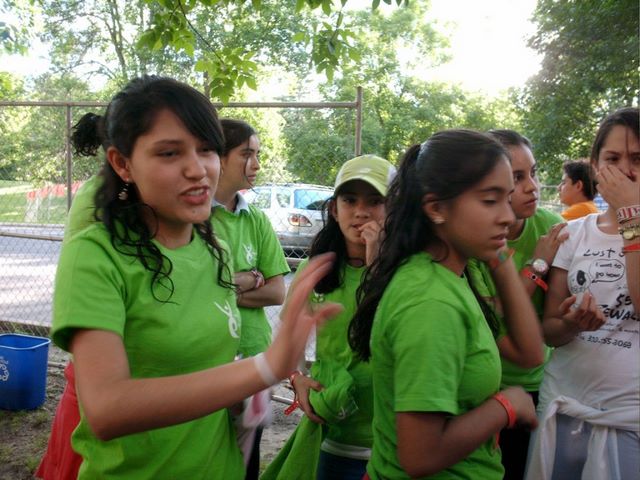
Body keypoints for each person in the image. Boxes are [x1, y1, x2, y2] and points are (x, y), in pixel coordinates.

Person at [46, 75, 342, 479]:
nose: (198, 169)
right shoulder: (96, 254)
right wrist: (263, 368)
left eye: (207, 149)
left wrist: (245, 400)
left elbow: (202, 367)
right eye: (170, 153)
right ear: (122, 164)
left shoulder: (213, 248)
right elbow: (106, 409)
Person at [348, 129, 540, 479]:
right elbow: (420, 456)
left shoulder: (454, 276)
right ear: (436, 208)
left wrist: (499, 260)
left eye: (508, 199)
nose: (508, 217)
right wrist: (505, 407)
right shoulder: (431, 302)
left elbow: (530, 354)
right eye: (490, 201)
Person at [526, 107, 639, 480]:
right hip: (562, 403)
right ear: (595, 165)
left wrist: (631, 216)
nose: (625, 171)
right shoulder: (574, 233)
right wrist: (572, 323)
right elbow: (550, 331)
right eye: (613, 159)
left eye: (637, 159)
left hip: (628, 416)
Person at [275, 154, 395, 480]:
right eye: (349, 200)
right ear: (333, 209)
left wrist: (378, 266)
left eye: (375, 201)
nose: (361, 211)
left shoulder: (407, 273)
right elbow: (288, 338)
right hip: (333, 435)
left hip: (393, 440)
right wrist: (297, 377)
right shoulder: (317, 270)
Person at [467, 129, 567, 480]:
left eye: (534, 173)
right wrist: (537, 265)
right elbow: (494, 312)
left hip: (539, 384)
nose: (533, 187)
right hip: (484, 386)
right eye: (518, 177)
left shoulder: (553, 228)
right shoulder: (473, 234)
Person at [211, 118, 290, 479]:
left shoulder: (255, 219)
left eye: (257, 154)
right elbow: (189, 291)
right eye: (247, 154)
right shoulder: (195, 217)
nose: (256, 164)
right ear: (219, 158)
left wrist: (221, 287)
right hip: (209, 361)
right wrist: (246, 279)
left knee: (248, 460)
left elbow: (276, 291)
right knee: (208, 454)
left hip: (255, 358)